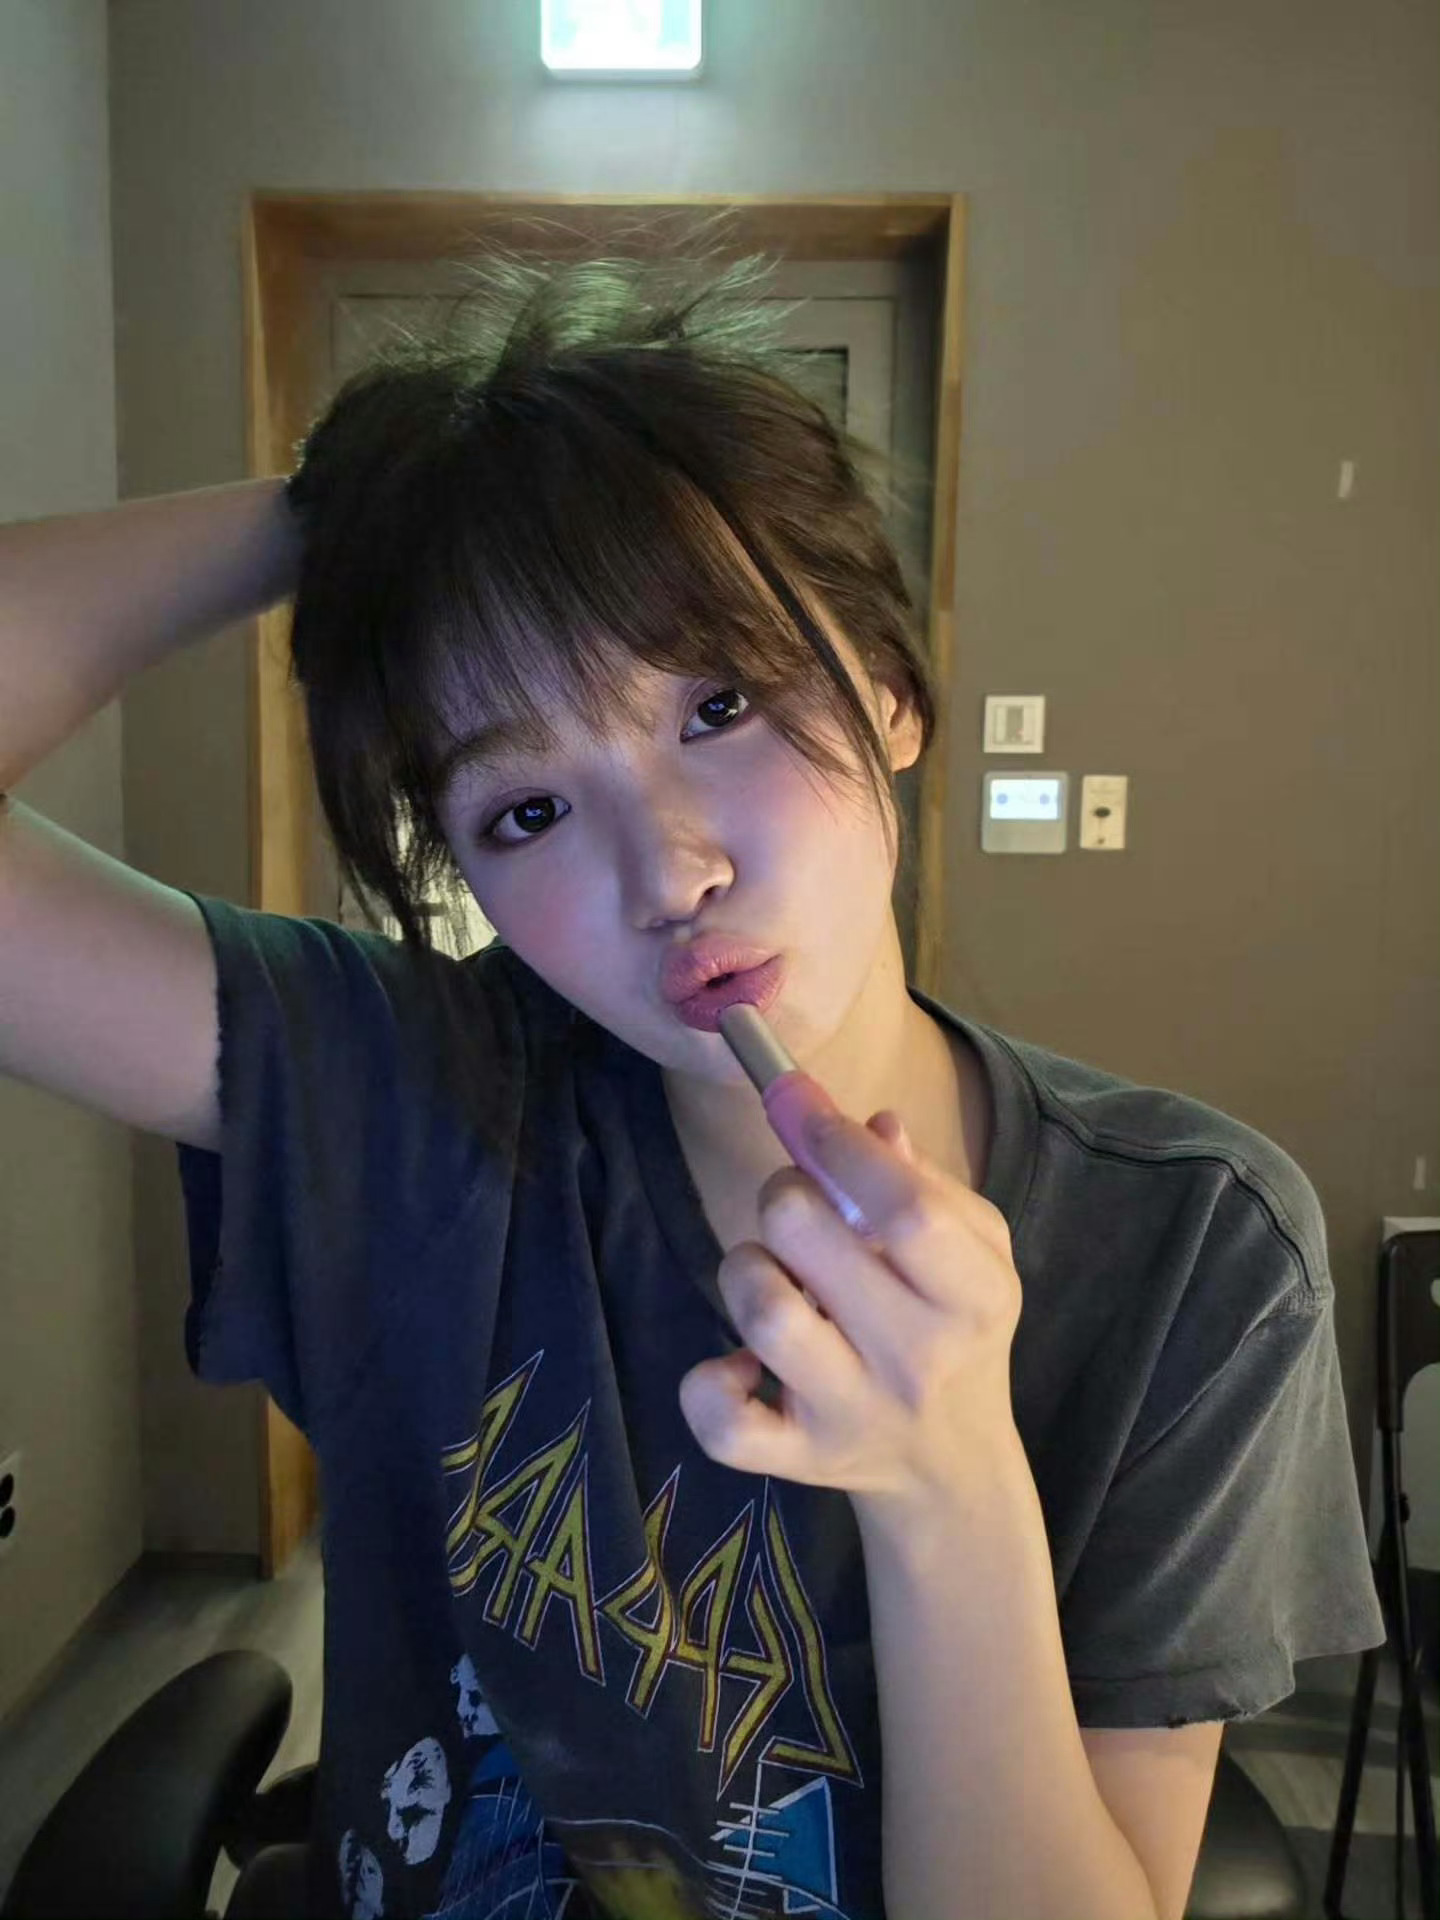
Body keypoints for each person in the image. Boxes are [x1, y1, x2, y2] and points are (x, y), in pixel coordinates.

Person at [0, 243, 1385, 1920]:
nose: (666, 875)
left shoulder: (1193, 1252)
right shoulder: (408, 1097)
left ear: (891, 691)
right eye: (526, 812)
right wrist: (372, 508)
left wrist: (949, 1490)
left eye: (719, 704)